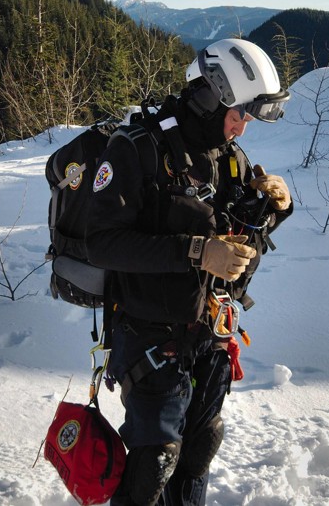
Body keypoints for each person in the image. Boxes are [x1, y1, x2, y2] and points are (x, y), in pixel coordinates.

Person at [86, 38, 293, 506]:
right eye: (238, 114)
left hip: (211, 329)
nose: (242, 128)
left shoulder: (230, 158)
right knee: (155, 461)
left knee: (200, 446)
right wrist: (196, 252)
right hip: (148, 333)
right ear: (208, 98)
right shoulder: (137, 148)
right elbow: (102, 243)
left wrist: (274, 210)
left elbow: (242, 242)